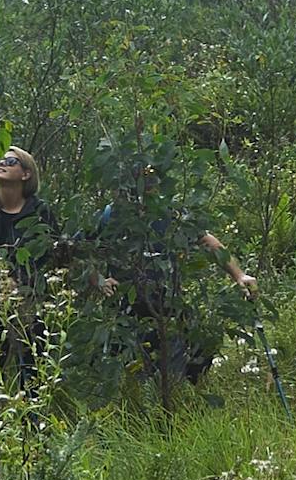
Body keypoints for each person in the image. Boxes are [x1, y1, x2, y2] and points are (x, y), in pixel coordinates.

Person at [94, 162, 257, 388]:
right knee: (136, 383)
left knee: (181, 372)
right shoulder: (111, 216)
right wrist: (100, 280)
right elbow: (87, 252)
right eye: (144, 181)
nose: (150, 187)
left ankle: (178, 405)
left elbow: (207, 241)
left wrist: (239, 275)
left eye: (153, 181)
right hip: (127, 314)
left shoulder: (169, 214)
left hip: (168, 308)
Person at [0, 147, 64, 385]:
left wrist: (98, 280)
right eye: (0, 160)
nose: (1, 163)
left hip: (29, 304)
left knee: (32, 375)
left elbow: (61, 253)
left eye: (10, 161)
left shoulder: (40, 212)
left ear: (26, 174)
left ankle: (31, 421)